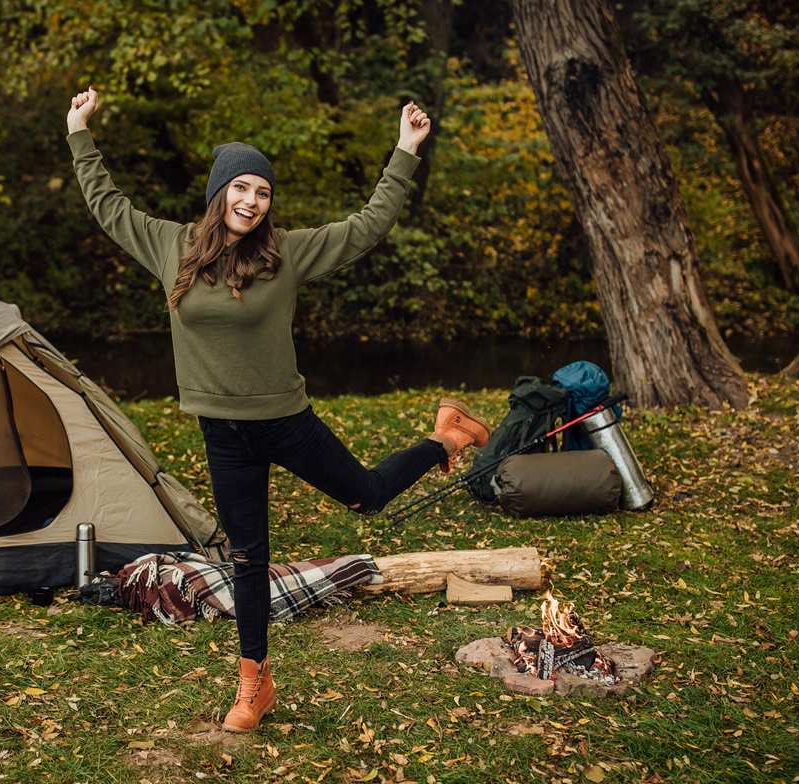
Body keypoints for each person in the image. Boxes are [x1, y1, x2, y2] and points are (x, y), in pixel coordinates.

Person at [65, 87, 492, 732]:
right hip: (222, 433)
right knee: (248, 560)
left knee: (370, 496)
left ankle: (446, 440)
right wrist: (79, 134)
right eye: (241, 189)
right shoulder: (171, 246)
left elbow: (366, 227)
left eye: (262, 193)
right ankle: (252, 684)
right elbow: (106, 205)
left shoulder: (286, 254)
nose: (251, 202)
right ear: (220, 195)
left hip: (286, 424)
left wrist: (404, 151)